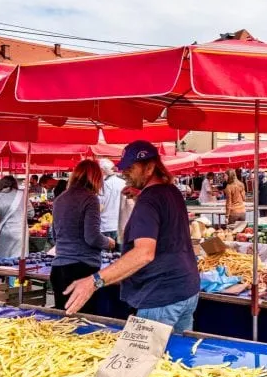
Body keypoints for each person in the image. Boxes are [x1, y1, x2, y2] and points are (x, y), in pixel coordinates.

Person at [64, 141, 200, 331]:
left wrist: (94, 281)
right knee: (177, 357)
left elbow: (144, 253)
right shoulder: (171, 191)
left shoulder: (149, 200)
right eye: (123, 168)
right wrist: (139, 195)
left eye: (131, 167)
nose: (125, 172)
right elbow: (164, 227)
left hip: (160, 296)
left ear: (150, 167)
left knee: (144, 358)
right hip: (186, 289)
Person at [50, 160, 116, 311]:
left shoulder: (60, 199)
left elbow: (55, 236)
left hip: (58, 269)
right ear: (96, 178)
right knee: (83, 324)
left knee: (62, 321)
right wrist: (109, 242)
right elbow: (92, 237)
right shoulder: (90, 199)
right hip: (82, 270)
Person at [0, 175, 32, 259]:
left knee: (4, 261)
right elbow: (31, 214)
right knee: (20, 260)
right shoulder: (23, 194)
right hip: (21, 232)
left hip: (5, 233)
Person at [99, 158, 125, 246]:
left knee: (105, 257)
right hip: (120, 226)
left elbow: (99, 208)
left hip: (105, 227)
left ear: (102, 171)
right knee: (120, 257)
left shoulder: (103, 185)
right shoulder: (124, 183)